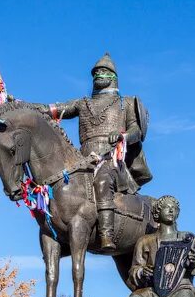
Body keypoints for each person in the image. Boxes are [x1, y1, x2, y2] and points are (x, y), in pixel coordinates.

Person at [30, 53, 151, 250]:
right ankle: (62, 236)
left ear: (113, 76)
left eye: (104, 71)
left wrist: (123, 136)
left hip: (112, 159)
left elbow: (136, 131)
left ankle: (106, 234)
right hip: (83, 159)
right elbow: (50, 109)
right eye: (96, 72)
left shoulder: (126, 103)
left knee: (102, 180)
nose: (98, 75)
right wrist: (22, 105)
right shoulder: (82, 103)